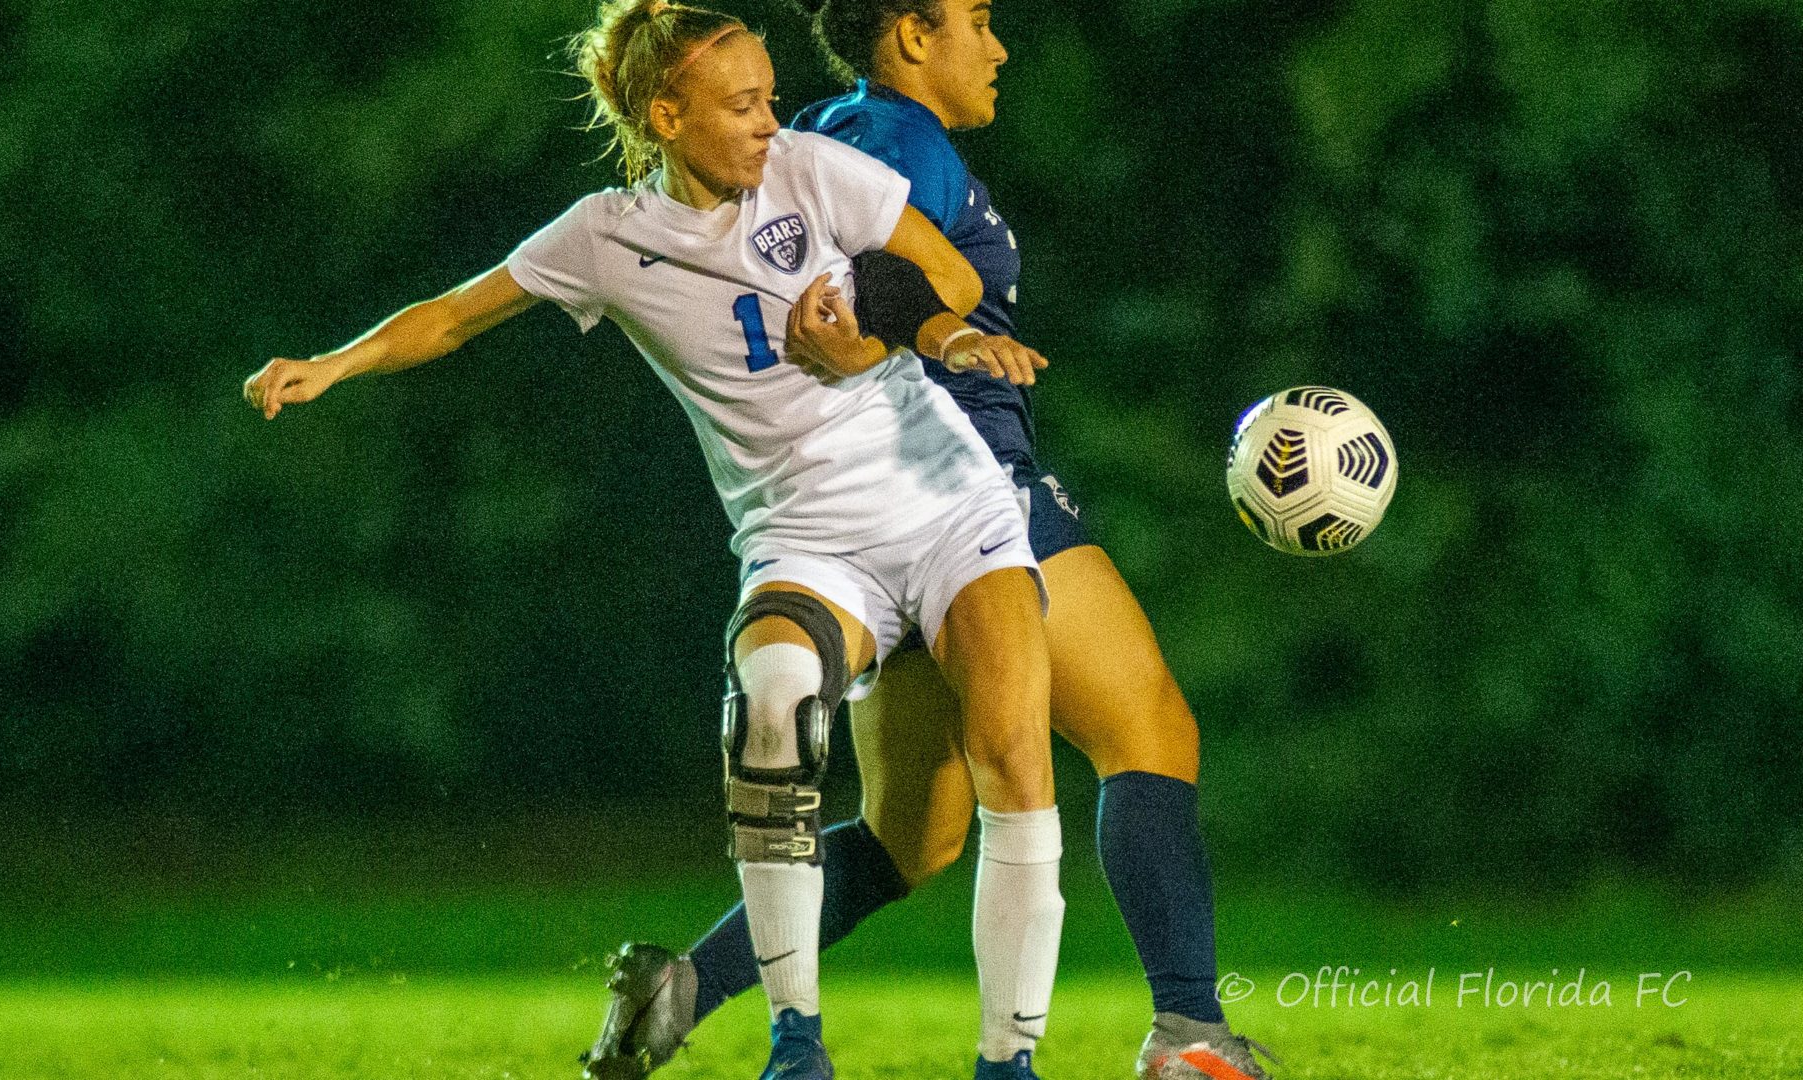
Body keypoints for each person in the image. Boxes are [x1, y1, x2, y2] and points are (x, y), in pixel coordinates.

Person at [240, 3, 1070, 1078]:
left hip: (945, 501)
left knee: (1013, 754)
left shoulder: (814, 169)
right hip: (805, 535)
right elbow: (451, 314)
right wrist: (331, 366)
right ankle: (795, 1045)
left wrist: (885, 336)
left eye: (772, 98)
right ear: (666, 115)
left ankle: (1009, 1062)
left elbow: (948, 278)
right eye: (743, 106)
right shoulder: (607, 235)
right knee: (770, 699)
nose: (772, 122)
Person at [583, 2, 1279, 1079]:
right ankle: (1188, 1036)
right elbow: (838, 292)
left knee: (919, 840)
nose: (997, 46)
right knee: (1149, 732)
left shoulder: (845, 131)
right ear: (910, 35)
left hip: (897, 506)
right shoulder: (890, 140)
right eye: (977, 20)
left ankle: (683, 990)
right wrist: (862, 346)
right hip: (956, 490)